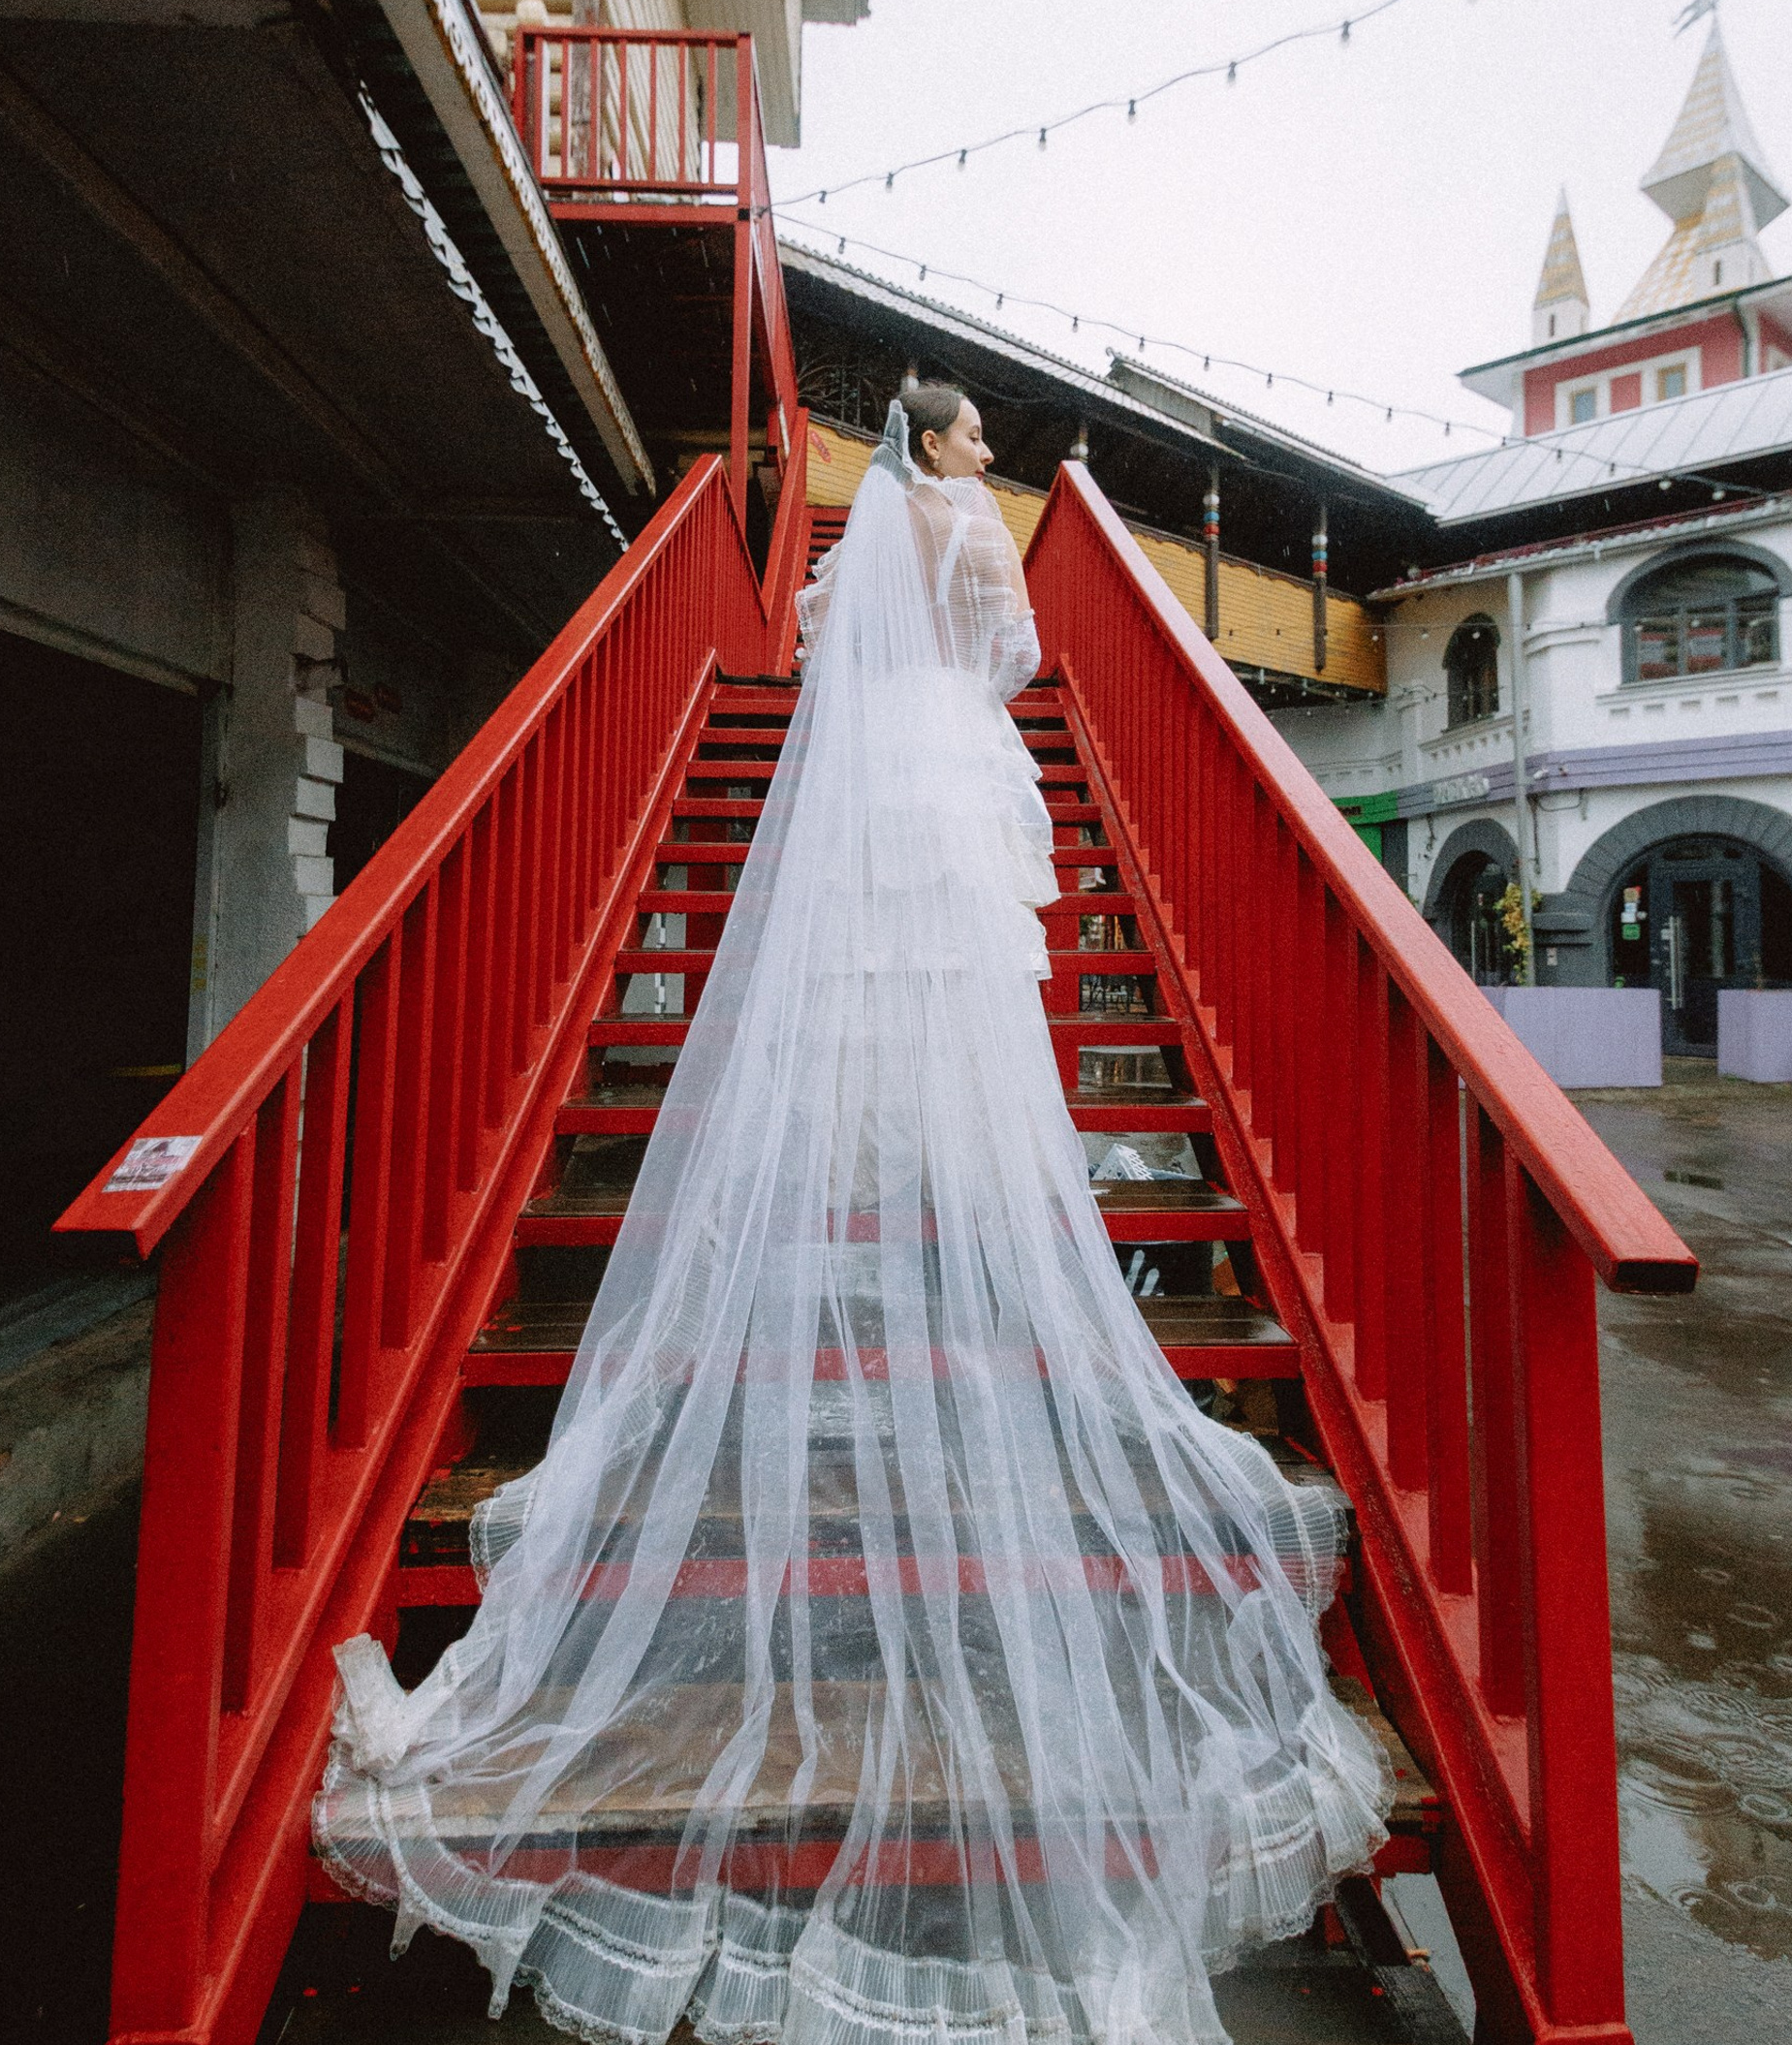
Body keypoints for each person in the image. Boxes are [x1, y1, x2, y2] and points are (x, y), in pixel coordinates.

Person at [315, 384, 1388, 2045]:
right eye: (972, 439)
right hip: (953, 771)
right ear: (949, 444)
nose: (981, 460)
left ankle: (875, 1180)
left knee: (876, 985)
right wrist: (970, 644)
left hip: (869, 781)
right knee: (959, 989)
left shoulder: (864, 531)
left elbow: (823, 650)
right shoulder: (970, 530)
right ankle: (942, 1192)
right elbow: (1019, 662)